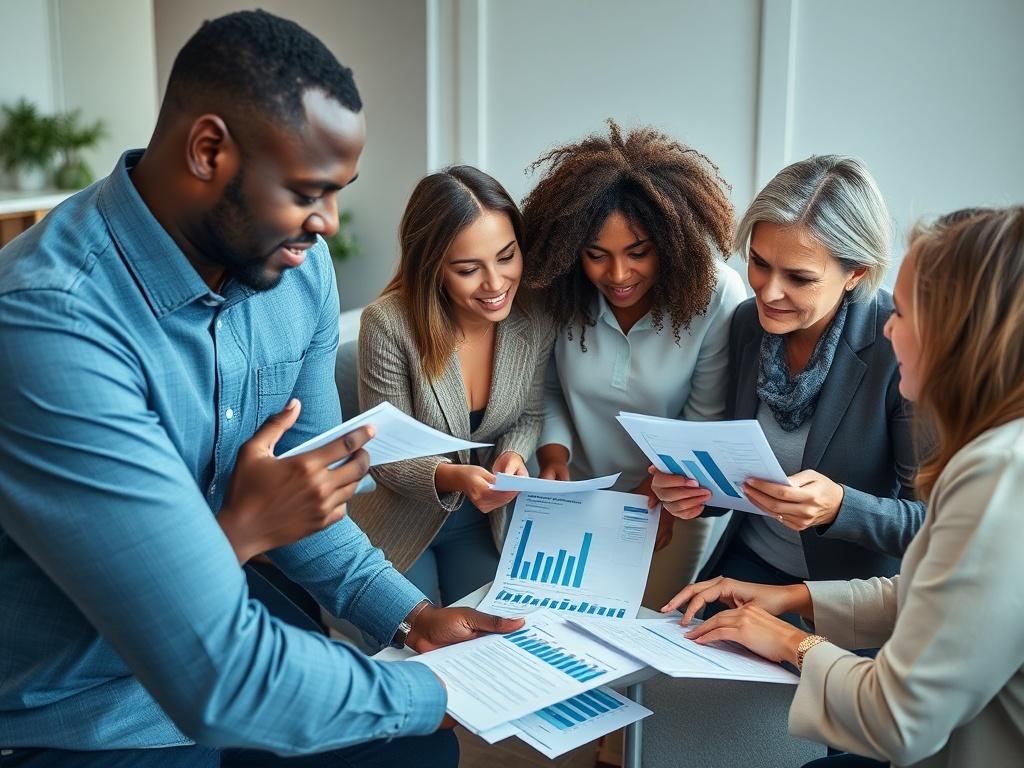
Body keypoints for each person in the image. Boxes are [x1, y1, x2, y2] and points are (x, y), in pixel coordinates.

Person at [0, 11, 519, 766]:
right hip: (82, 714)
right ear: (208, 150)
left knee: (414, 756)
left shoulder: (293, 275)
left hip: (228, 642)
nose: (328, 224)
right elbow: (213, 675)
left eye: (339, 192)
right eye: (309, 191)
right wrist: (443, 694)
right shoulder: (51, 324)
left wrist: (410, 621)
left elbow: (314, 501)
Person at [667, 206, 1024, 767]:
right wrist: (794, 599)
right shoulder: (997, 456)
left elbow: (899, 721)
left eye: (903, 312)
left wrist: (791, 638)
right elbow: (935, 588)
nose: (888, 326)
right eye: (759, 264)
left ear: (958, 334)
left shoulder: (999, 476)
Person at [652, 156, 925, 608]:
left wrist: (841, 507)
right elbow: (735, 485)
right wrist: (690, 492)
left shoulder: (898, 347)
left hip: (849, 597)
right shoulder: (746, 324)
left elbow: (936, 524)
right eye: (759, 263)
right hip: (745, 569)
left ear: (855, 273)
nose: (768, 291)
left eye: (799, 278)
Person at [521, 121, 746, 596]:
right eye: (596, 255)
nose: (618, 274)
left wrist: (657, 496)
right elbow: (550, 388)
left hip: (673, 495)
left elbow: (703, 418)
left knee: (640, 640)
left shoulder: (715, 294)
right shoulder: (562, 291)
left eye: (638, 253)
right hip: (575, 491)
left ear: (668, 242)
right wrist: (553, 454)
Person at [348, 166, 554, 606]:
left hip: (484, 521)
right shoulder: (388, 324)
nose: (496, 284)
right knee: (412, 650)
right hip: (398, 518)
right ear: (434, 267)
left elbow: (528, 414)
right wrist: (456, 476)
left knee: (498, 639)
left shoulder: (532, 316)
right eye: (468, 269)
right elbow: (384, 456)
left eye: (506, 256)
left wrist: (513, 455)